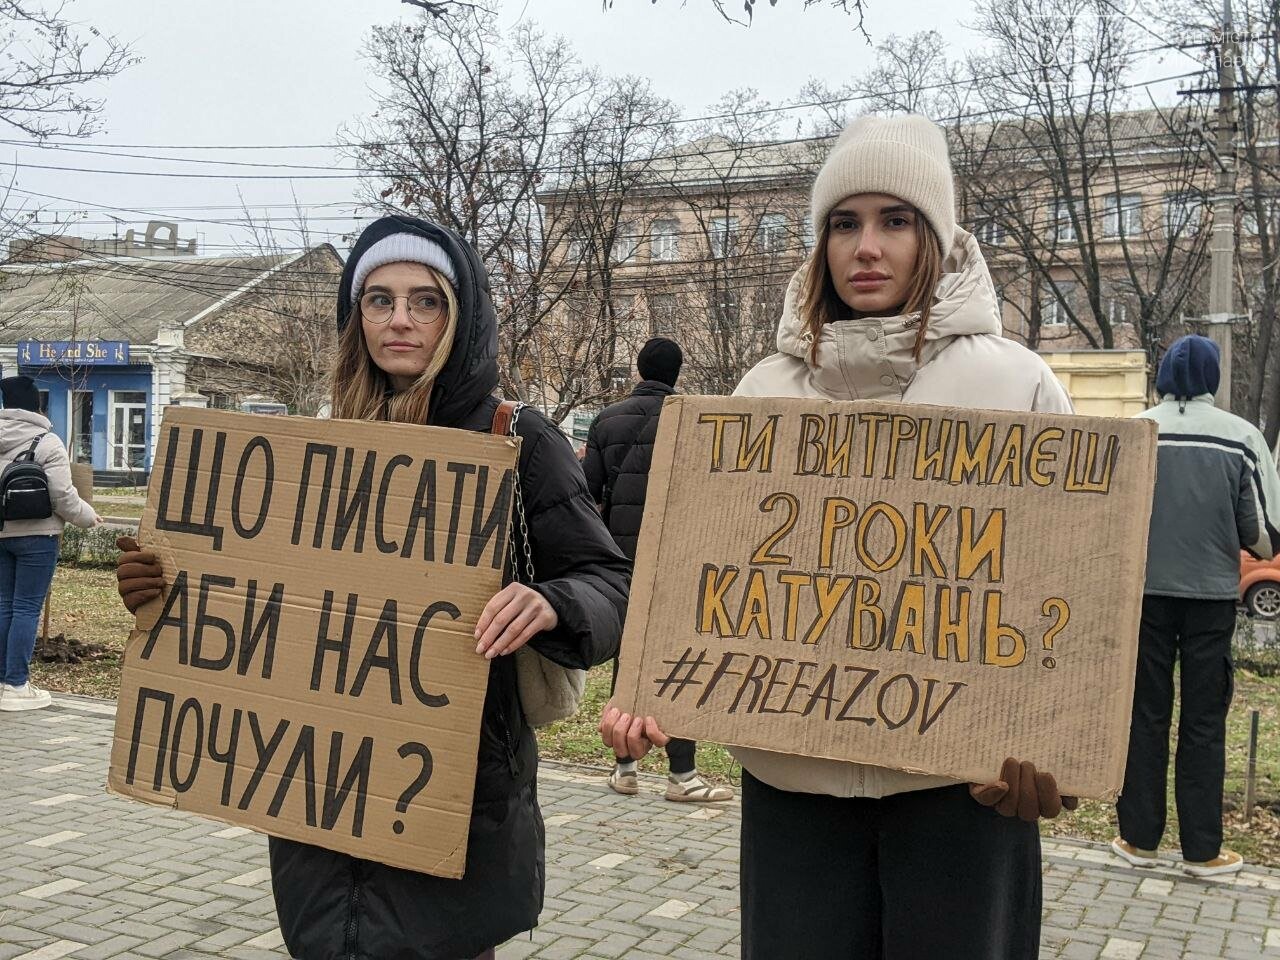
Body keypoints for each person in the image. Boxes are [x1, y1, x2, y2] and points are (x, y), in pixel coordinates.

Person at [602, 114, 1082, 960]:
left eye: (896, 220)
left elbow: (1067, 591)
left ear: (934, 235)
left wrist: (1059, 751)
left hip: (958, 800)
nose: (868, 246)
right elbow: (703, 576)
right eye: (844, 222)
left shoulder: (1016, 383)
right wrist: (647, 690)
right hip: (794, 794)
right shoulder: (761, 393)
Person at [114, 214, 631, 960]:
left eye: (426, 300)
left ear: (462, 315)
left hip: (457, 790)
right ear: (355, 316)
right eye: (378, 299)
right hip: (315, 791)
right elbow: (272, 604)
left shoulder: (515, 437)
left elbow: (608, 580)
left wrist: (553, 601)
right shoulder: (312, 444)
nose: (400, 319)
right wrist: (164, 593)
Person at [1112, 335, 1280, 878]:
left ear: (1162, 377)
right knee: (1204, 722)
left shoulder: (1136, 432)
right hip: (1210, 600)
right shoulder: (1242, 438)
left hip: (1143, 596)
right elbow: (1264, 539)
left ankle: (1137, 840)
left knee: (1145, 716)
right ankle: (1202, 851)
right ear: (1212, 378)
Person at [583, 336, 732, 803]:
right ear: (677, 373)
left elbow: (587, 495)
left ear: (640, 371)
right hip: (676, 560)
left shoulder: (606, 420)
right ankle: (682, 776)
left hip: (622, 562)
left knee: (630, 661)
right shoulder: (695, 419)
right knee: (676, 661)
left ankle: (624, 768)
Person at [0, 375, 100, 713]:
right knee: (27, 608)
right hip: (38, 537)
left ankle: (3, 681)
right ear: (36, 405)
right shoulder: (47, 441)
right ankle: (16, 684)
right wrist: (88, 517)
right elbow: (62, 496)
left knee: (4, 606)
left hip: (1, 533)